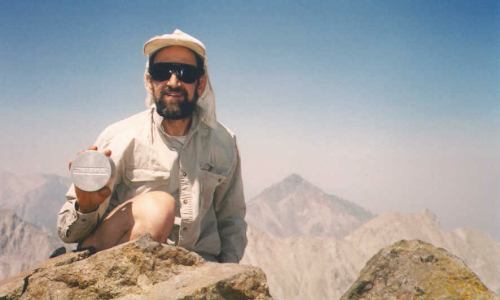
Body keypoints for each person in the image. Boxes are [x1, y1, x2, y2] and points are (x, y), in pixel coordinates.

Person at [57, 29, 247, 263]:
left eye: (186, 73)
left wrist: (228, 276)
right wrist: (86, 206)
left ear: (201, 83)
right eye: (162, 72)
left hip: (196, 268)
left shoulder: (224, 142)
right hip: (123, 266)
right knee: (159, 208)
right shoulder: (120, 137)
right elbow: (68, 232)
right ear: (149, 81)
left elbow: (232, 219)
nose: (174, 82)